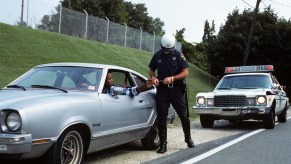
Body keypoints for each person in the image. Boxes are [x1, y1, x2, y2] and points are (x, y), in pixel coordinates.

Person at [148, 33, 194, 154]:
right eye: (165, 49)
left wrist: (172, 78)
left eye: (169, 49)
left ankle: (188, 138)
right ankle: (163, 144)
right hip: (162, 90)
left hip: (176, 90)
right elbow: (151, 70)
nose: (167, 51)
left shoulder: (179, 55)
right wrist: (154, 78)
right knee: (162, 118)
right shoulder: (157, 55)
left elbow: (185, 73)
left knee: (183, 115)